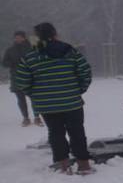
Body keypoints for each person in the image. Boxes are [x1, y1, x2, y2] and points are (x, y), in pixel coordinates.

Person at [14, 23, 93, 174]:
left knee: (56, 133)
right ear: (55, 34)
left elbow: (22, 80)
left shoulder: (31, 56)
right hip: (72, 102)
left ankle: (63, 165)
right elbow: (85, 71)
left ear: (37, 37)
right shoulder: (70, 51)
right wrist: (78, 90)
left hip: (47, 104)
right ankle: (84, 164)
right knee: (77, 132)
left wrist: (35, 94)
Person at [2, 31, 39, 127]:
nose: (17, 39)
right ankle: (26, 118)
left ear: (24, 38)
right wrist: (13, 64)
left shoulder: (32, 47)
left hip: (31, 76)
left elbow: (39, 58)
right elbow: (4, 63)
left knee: (34, 98)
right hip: (16, 77)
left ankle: (37, 117)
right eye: (16, 37)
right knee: (20, 99)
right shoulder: (10, 50)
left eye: (19, 37)